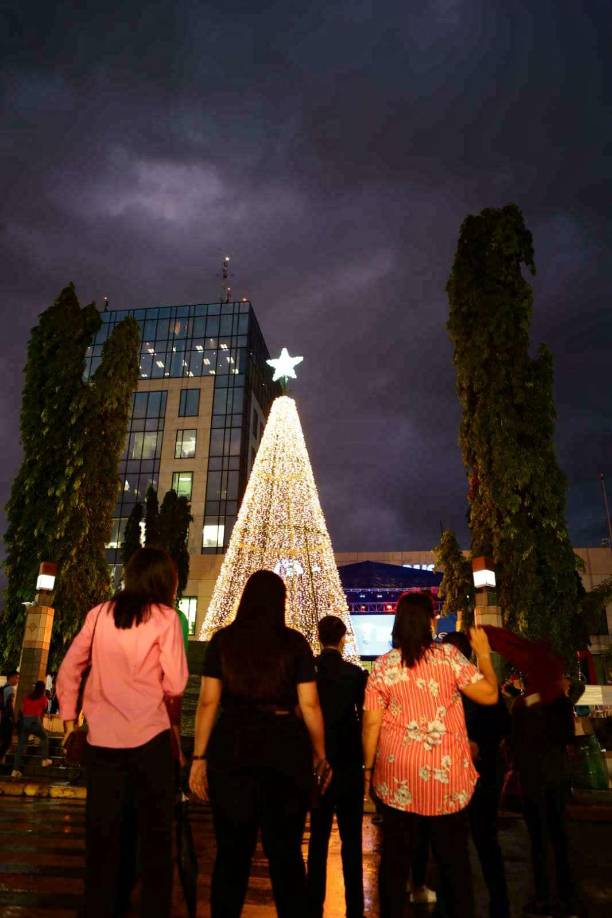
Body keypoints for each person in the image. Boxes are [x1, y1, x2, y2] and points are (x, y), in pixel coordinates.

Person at [189, 570, 330, 918]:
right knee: (286, 856)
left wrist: (198, 757)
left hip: (233, 748)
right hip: (284, 750)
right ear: (281, 602)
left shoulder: (223, 641)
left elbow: (208, 702)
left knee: (231, 856)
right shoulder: (294, 643)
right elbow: (310, 704)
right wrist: (320, 753)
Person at [56, 547, 188, 918]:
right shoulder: (166, 619)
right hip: (151, 742)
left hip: (102, 745)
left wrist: (69, 722)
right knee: (155, 844)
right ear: (166, 582)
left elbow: (69, 670)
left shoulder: (99, 615)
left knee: (103, 841)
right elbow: (177, 682)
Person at [362, 591, 498, 918]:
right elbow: (490, 695)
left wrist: (368, 769)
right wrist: (484, 655)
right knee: (454, 862)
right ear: (430, 623)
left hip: (398, 778)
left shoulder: (383, 666)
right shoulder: (449, 657)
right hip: (445, 779)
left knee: (395, 863)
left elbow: (371, 724)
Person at [483, 626, 579, 918]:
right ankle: (567, 899)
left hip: (532, 779)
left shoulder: (524, 706)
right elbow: (567, 737)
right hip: (556, 777)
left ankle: (543, 897)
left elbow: (512, 741)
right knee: (560, 838)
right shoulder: (560, 702)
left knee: (538, 840)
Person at [443, 631, 511, 918]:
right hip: (478, 770)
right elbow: (503, 724)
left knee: (461, 840)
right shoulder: (479, 683)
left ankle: (464, 903)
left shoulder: (448, 686)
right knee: (482, 839)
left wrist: (476, 744)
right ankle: (496, 902)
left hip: (467, 771)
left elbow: (500, 723)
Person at [307, 614, 368, 918]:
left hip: (319, 762)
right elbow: (365, 717)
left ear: (319, 638)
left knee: (318, 838)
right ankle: (354, 906)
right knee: (351, 840)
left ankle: (313, 902)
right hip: (349, 762)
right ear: (343, 638)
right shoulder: (355, 674)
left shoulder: (310, 673)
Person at [11, 680, 52, 776]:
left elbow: (22, 709)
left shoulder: (27, 697)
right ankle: (44, 759)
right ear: (43, 689)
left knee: (21, 746)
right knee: (44, 737)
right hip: (35, 721)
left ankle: (15, 770)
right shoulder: (43, 698)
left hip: (25, 721)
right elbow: (44, 709)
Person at [0, 670, 19, 762]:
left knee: (3, 740)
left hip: (2, 717)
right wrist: (13, 718)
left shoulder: (3, 688)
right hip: (7, 718)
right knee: (7, 741)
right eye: (17, 678)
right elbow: (9, 704)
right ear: (11, 677)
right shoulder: (11, 689)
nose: (17, 680)